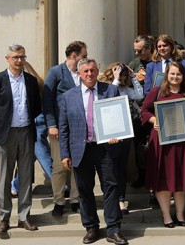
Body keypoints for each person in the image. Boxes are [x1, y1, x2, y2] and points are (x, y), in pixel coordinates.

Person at [58, 58, 127, 244]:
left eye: (92, 70)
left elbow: (118, 117)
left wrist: (117, 134)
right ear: (79, 74)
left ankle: (113, 229)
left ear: (97, 71)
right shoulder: (68, 96)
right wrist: (64, 154)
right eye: (86, 71)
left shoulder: (110, 90)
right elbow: (63, 128)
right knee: (84, 190)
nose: (89, 74)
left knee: (111, 187)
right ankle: (91, 227)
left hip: (106, 148)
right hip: (81, 149)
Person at [0, 44, 42, 237]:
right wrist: (2, 122)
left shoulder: (31, 81)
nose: (19, 61)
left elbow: (37, 107)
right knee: (5, 178)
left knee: (25, 177)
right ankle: (4, 218)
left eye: (22, 57)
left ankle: (24, 216)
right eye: (16, 57)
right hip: (4, 135)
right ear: (7, 58)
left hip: (26, 132)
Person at [141, 61, 185, 228]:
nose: (175, 77)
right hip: (161, 142)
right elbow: (144, 111)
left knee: (181, 179)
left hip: (183, 143)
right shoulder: (156, 92)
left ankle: (180, 214)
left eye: (178, 74)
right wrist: (154, 120)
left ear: (183, 76)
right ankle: (166, 216)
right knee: (163, 179)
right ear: (167, 75)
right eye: (172, 74)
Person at [43, 41, 86, 216]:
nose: (86, 59)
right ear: (74, 56)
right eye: (84, 55)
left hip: (80, 128)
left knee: (78, 165)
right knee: (59, 166)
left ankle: (76, 199)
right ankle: (59, 201)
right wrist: (51, 124)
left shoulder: (84, 72)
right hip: (59, 128)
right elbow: (47, 99)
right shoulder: (56, 72)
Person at [97, 62, 145, 215]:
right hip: (108, 133)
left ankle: (121, 199)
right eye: (120, 74)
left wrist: (134, 77)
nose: (123, 77)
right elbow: (108, 97)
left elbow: (139, 95)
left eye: (124, 74)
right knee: (109, 168)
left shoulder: (124, 89)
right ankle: (111, 199)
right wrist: (116, 79)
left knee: (121, 168)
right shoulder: (104, 87)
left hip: (124, 133)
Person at [10, 60, 52, 199]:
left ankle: (60, 183)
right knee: (30, 156)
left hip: (33, 120)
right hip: (38, 119)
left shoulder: (27, 82)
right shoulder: (39, 82)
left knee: (40, 152)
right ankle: (15, 185)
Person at [128, 35, 156, 189]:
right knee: (138, 143)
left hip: (155, 111)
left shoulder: (156, 62)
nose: (137, 54)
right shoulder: (134, 63)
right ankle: (140, 176)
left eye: (139, 51)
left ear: (149, 48)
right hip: (138, 111)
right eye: (135, 51)